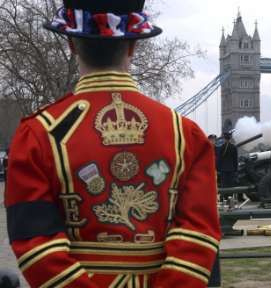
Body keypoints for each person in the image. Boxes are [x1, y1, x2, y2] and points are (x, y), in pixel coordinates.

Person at [5, 1, 220, 287]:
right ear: (133, 46)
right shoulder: (185, 133)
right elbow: (199, 236)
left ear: (71, 43)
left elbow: (36, 245)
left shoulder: (37, 133)